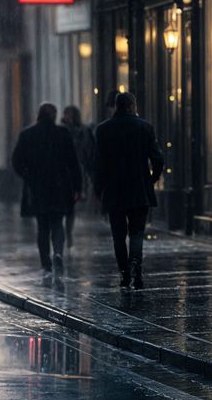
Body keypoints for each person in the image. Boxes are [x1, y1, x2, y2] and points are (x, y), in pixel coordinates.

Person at [93, 91, 164, 289]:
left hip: (114, 190)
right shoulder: (145, 127)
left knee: (118, 234)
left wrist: (98, 190)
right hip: (139, 189)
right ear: (133, 105)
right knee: (136, 232)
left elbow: (98, 164)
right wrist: (152, 179)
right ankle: (136, 266)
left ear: (116, 106)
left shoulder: (103, 130)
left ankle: (124, 272)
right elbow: (158, 158)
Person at [11, 102, 82, 286]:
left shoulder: (27, 135)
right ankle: (58, 251)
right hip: (59, 186)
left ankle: (46, 264)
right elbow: (73, 163)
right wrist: (77, 187)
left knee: (42, 226)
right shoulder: (62, 134)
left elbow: (16, 161)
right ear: (54, 115)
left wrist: (27, 175)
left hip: (38, 187)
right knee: (57, 223)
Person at [61, 104, 94, 250]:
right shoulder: (61, 131)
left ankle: (68, 233)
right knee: (65, 206)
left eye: (70, 114)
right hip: (63, 173)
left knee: (70, 207)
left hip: (76, 170)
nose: (68, 117)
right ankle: (63, 233)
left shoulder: (82, 131)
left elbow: (87, 151)